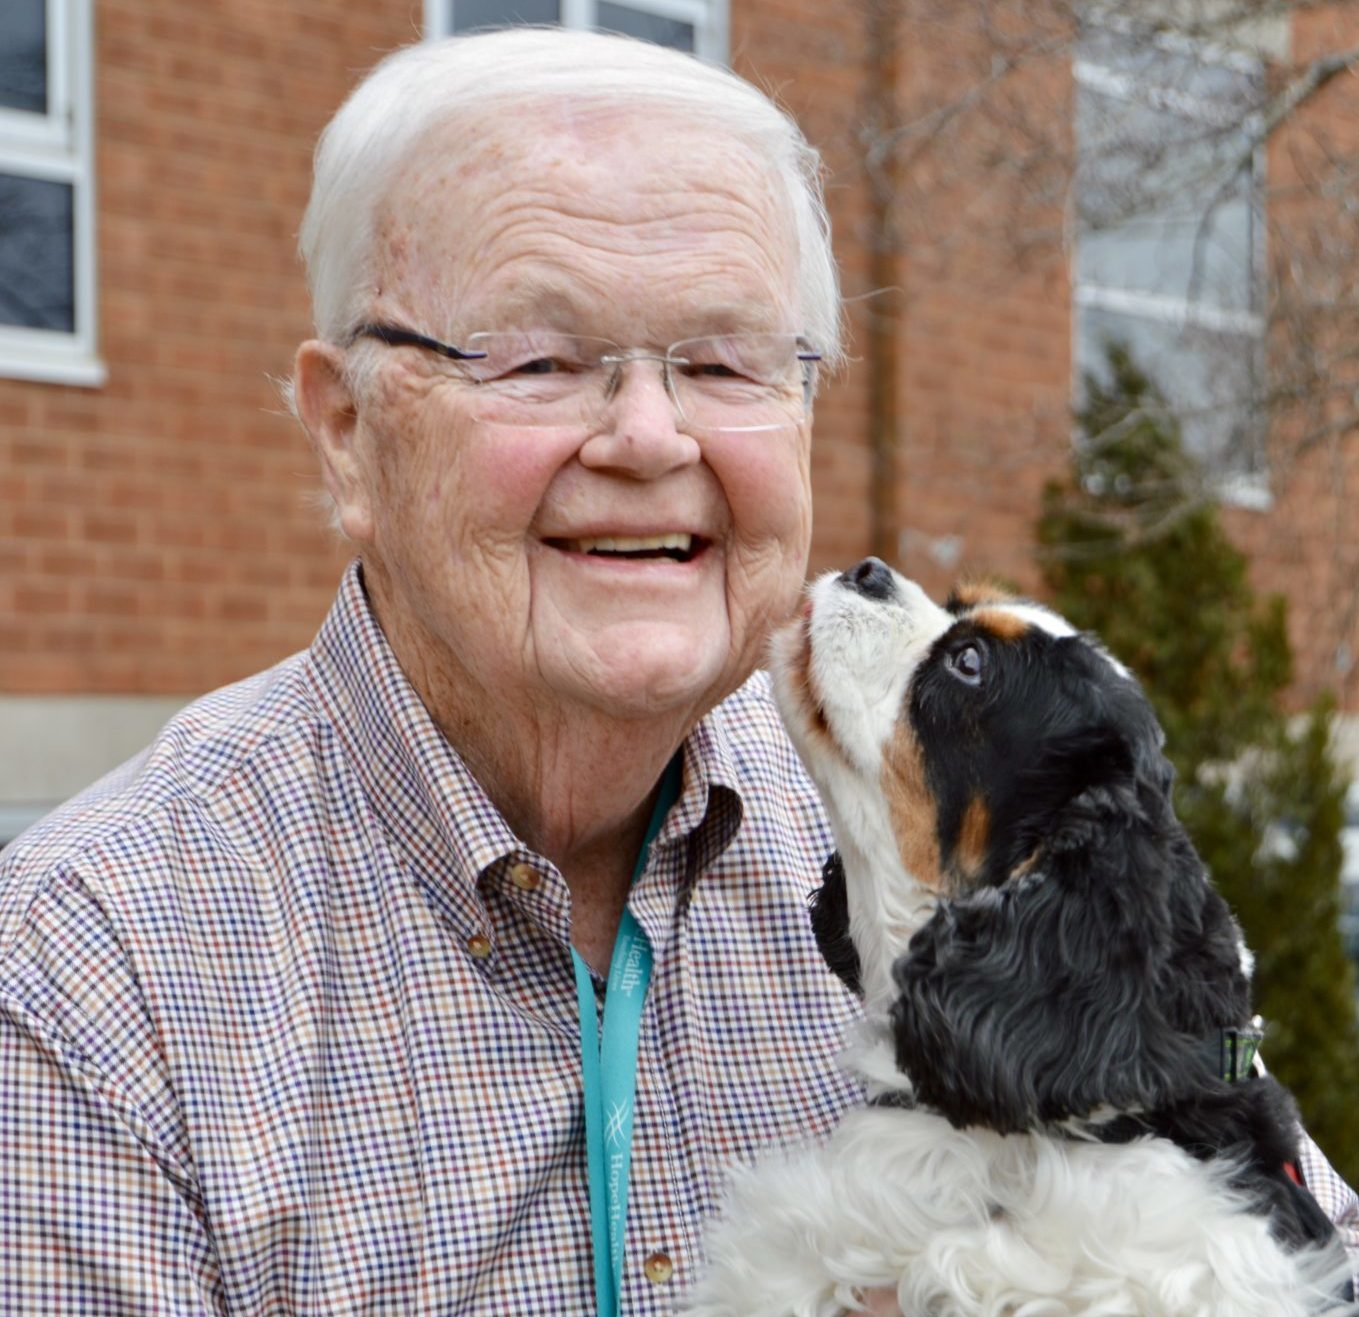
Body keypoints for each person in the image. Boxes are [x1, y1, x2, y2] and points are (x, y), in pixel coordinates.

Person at [0, 27, 1353, 1317]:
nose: (649, 435)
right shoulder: (91, 984)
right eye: (538, 357)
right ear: (349, 434)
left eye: (723, 360)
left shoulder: (936, 852)